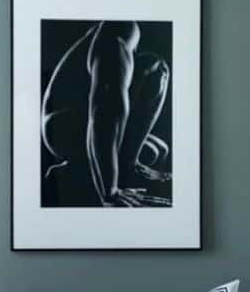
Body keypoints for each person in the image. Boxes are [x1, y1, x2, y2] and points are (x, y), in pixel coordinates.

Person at [41, 21, 171, 208]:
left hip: (78, 118)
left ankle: (126, 165)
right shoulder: (120, 30)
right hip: (62, 126)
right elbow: (104, 108)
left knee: (157, 150)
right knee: (156, 67)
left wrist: (131, 162)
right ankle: (85, 174)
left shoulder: (124, 34)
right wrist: (110, 191)